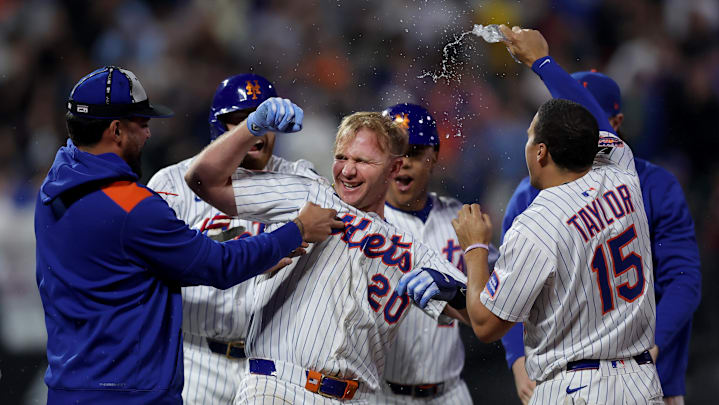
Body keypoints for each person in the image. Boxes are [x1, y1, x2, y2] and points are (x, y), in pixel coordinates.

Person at [35, 66, 340, 404]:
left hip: (73, 380)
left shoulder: (53, 188)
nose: (149, 134)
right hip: (128, 389)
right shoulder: (132, 205)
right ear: (116, 130)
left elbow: (142, 258)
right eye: (142, 123)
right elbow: (217, 265)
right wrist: (294, 232)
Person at [184, 99, 469, 403]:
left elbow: (486, 319)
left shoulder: (410, 249)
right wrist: (251, 127)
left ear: (393, 168)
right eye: (341, 157)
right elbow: (202, 179)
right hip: (279, 387)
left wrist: (458, 289)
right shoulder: (307, 195)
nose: (347, 170)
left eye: (362, 161)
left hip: (357, 397)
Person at [448, 27, 664, 404]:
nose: (526, 143)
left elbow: (485, 325)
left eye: (530, 137)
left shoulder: (536, 224)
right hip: (640, 381)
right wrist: (542, 61)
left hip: (576, 387)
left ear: (542, 152)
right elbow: (596, 121)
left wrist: (476, 248)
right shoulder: (623, 174)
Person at [500, 71, 702, 405]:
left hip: (652, 371)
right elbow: (512, 286)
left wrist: (655, 346)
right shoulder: (528, 194)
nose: (575, 132)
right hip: (566, 374)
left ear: (615, 123)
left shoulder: (655, 186)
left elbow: (683, 280)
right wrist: (517, 360)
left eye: (587, 120)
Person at [147, 73, 318, 405]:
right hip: (197, 357)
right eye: (237, 122)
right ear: (216, 128)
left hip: (273, 364)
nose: (252, 132)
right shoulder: (173, 184)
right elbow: (154, 269)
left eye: (259, 122)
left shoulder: (302, 180)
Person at [375, 103, 495, 404]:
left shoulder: (462, 220)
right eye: (394, 152)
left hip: (450, 392)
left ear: (435, 156)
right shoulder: (364, 224)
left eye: (414, 152)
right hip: (382, 393)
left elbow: (498, 304)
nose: (402, 163)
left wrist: (460, 291)